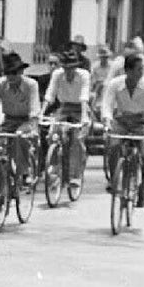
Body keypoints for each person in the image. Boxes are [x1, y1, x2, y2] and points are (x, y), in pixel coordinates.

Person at [100, 54, 144, 208]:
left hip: (140, 123)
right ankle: (114, 180)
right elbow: (107, 103)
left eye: (142, 69)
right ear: (128, 70)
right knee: (113, 147)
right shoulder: (115, 84)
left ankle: (142, 187)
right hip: (121, 122)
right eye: (138, 69)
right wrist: (107, 119)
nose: (141, 72)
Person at [0, 51, 40, 190]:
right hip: (8, 121)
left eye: (15, 73)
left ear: (21, 72)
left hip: (26, 122)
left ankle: (24, 173)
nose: (11, 77)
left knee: (20, 137)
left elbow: (35, 110)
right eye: (8, 73)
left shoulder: (31, 85)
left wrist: (34, 128)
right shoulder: (0, 84)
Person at [43, 49, 92, 191]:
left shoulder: (84, 75)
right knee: (53, 135)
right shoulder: (57, 75)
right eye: (65, 68)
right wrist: (41, 113)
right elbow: (50, 94)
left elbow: (84, 96)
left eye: (71, 68)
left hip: (79, 108)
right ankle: (54, 170)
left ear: (76, 67)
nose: (68, 71)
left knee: (77, 139)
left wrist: (84, 117)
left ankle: (75, 175)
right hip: (64, 108)